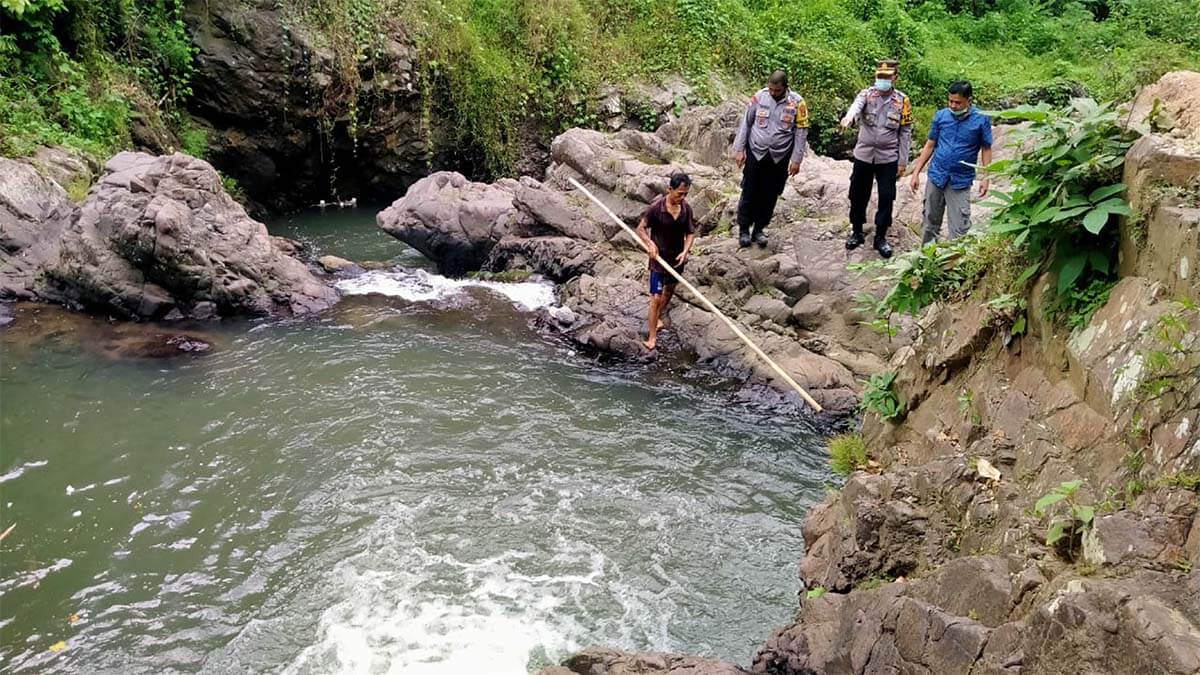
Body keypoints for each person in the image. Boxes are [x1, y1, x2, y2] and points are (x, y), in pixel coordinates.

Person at [839, 61, 913, 258]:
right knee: (857, 192)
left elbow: (905, 132)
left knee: (887, 196)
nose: (882, 81)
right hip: (864, 154)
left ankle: (880, 236)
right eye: (880, 77)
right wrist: (849, 118)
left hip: (888, 157)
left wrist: (902, 161)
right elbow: (856, 107)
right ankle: (856, 230)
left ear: (895, 78)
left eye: (887, 78)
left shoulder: (902, 101)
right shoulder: (866, 94)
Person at [731, 70, 809, 249]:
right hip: (756, 152)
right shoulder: (759, 97)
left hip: (779, 157)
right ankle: (743, 229)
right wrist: (739, 149)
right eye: (771, 89)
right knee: (749, 190)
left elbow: (801, 132)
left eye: (777, 90)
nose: (773, 93)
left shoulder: (797, 103)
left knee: (770, 193)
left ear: (785, 88)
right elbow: (746, 122)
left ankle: (759, 229)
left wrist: (796, 160)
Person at [908, 80, 993, 244]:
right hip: (937, 175)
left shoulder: (981, 119)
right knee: (929, 222)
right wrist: (916, 173)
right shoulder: (941, 116)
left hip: (960, 180)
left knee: (960, 227)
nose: (953, 106)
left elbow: (986, 148)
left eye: (958, 102)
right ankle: (927, 260)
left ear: (969, 100)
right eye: (951, 101)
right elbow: (930, 144)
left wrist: (986, 176)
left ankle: (956, 264)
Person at [636, 173, 698, 350]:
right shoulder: (656, 208)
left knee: (669, 291)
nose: (683, 197)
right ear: (669, 189)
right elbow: (640, 229)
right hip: (658, 260)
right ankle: (652, 337)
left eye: (686, 194)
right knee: (655, 297)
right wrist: (650, 243)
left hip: (676, 260)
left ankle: (658, 317)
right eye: (679, 193)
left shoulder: (686, 209)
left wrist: (685, 251)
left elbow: (690, 233)